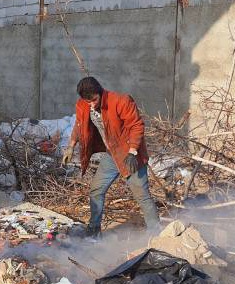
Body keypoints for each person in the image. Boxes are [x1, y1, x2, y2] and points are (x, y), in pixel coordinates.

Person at [61, 76, 160, 237]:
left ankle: (156, 235)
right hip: (111, 155)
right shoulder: (83, 105)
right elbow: (79, 126)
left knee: (142, 195)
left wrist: (133, 151)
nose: (92, 104)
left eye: (94, 100)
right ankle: (94, 232)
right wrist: (71, 146)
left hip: (130, 156)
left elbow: (136, 125)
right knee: (96, 190)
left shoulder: (120, 101)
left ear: (100, 92)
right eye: (88, 102)